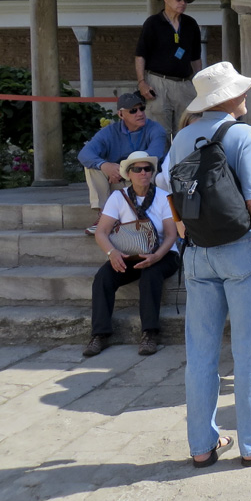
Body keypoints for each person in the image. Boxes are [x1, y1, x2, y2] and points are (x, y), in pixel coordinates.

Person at [163, 61, 251, 468]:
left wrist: (187, 229)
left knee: (201, 353)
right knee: (248, 352)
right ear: (232, 97)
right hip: (240, 248)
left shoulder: (182, 136)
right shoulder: (244, 135)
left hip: (199, 252)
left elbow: (166, 190)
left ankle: (202, 445)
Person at [83, 151, 180, 359]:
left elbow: (172, 235)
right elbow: (101, 232)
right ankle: (99, 334)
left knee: (151, 275)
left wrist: (156, 256)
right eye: (138, 169)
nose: (143, 173)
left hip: (162, 253)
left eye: (147, 169)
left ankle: (149, 334)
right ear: (129, 173)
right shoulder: (118, 197)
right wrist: (112, 252)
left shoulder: (164, 197)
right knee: (103, 278)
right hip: (129, 253)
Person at [78, 92, 168, 231]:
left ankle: (143, 214)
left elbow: (154, 156)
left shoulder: (155, 129)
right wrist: (105, 165)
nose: (139, 113)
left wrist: (122, 170)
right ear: (121, 114)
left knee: (148, 168)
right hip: (117, 181)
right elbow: (84, 154)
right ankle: (105, 214)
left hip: (143, 179)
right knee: (92, 167)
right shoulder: (110, 131)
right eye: (133, 111)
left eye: (141, 108)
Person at [135, 0, 203, 133]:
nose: (183, 3)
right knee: (159, 132)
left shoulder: (191, 24)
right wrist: (142, 82)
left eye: (185, 0)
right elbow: (140, 55)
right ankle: (161, 158)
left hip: (185, 83)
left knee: (187, 131)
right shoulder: (152, 23)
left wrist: (198, 83)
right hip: (158, 82)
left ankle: (184, 158)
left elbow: (196, 58)